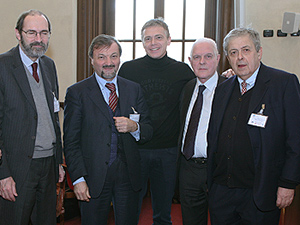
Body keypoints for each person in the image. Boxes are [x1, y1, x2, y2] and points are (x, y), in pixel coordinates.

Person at [207, 27, 300, 225]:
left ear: (259, 52)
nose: (240, 57)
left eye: (246, 50)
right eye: (233, 52)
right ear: (228, 58)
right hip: (222, 191)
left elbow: (296, 139)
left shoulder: (283, 84)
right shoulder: (223, 89)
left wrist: (288, 183)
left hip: (260, 191)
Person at [63, 34, 153, 225]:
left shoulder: (133, 89)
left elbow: (148, 129)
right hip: (92, 177)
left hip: (128, 177)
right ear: (92, 61)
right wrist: (78, 179)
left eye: (113, 56)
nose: (108, 62)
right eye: (101, 57)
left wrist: (134, 127)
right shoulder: (77, 92)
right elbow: (71, 141)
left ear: (120, 58)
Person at [118, 18, 195, 224]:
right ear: (142, 42)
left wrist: (227, 78)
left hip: (168, 151)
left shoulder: (183, 71)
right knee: (130, 209)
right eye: (148, 38)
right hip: (136, 149)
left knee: (163, 212)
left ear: (169, 40)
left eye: (158, 37)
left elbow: (203, 93)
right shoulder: (128, 69)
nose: (153, 43)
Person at [0, 9, 64, 225]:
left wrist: (58, 162)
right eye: (32, 33)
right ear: (18, 34)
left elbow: (54, 118)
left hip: (48, 166)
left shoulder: (48, 65)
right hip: (17, 169)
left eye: (44, 33)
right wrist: (2, 173)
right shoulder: (3, 66)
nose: (39, 39)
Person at [177, 38, 226, 225]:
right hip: (188, 169)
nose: (202, 62)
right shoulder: (188, 88)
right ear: (190, 61)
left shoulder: (229, 88)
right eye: (197, 57)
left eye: (208, 56)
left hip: (218, 169)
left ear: (218, 58)